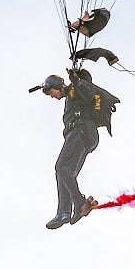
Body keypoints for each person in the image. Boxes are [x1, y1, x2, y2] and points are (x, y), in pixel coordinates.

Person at [37, 71, 104, 229]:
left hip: (80, 132)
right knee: (65, 173)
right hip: (83, 136)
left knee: (61, 168)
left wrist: (76, 80)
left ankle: (79, 202)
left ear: (57, 86)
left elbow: (89, 92)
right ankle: (64, 212)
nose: (52, 97)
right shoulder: (71, 95)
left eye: (51, 93)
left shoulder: (75, 89)